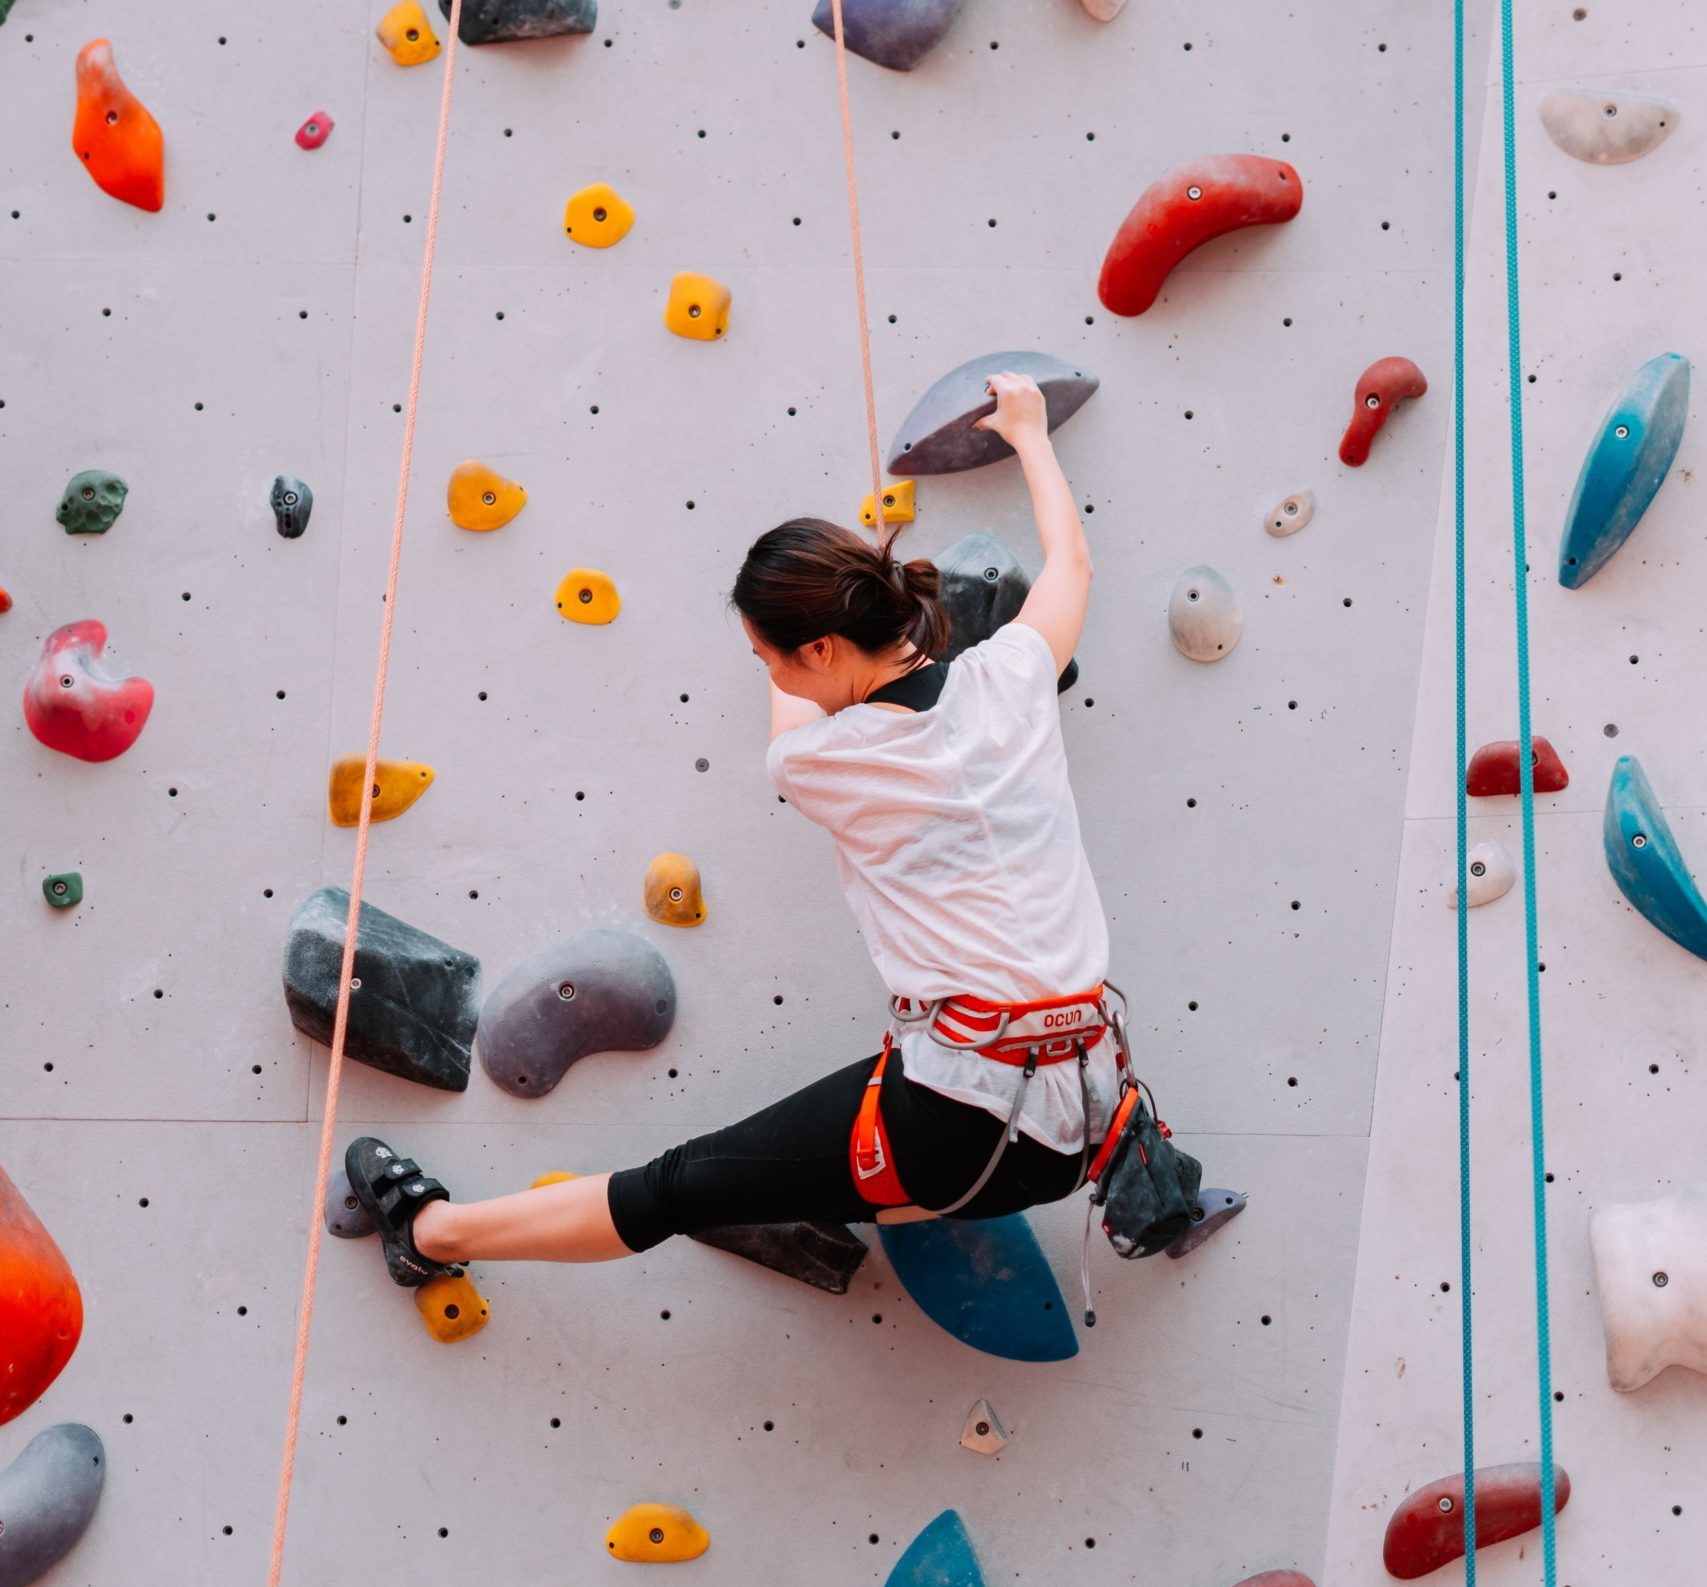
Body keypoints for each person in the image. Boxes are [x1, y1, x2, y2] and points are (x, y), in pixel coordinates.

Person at [344, 370, 1122, 1286]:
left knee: (674, 1186)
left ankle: (429, 1236)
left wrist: (802, 645)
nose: (769, 673)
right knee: (818, 1159)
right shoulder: (1015, 677)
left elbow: (799, 713)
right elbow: (1070, 565)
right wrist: (1029, 432)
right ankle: (822, 1198)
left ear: (821, 648)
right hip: (1086, 1109)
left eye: (767, 656)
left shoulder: (821, 761)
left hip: (963, 1127)